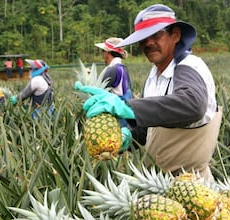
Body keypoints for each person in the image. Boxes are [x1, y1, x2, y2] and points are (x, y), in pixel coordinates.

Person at [75, 4, 222, 182]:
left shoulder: (190, 66)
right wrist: (128, 136)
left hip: (193, 186)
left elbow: (192, 105)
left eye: (156, 35)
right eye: (143, 38)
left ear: (175, 35)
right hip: (158, 183)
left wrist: (127, 107)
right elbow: (150, 127)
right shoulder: (153, 76)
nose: (148, 43)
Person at [94, 37, 133, 127]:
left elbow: (98, 92)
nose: (103, 55)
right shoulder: (122, 67)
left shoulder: (112, 69)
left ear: (107, 53)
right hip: (125, 111)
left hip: (117, 115)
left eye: (103, 52)